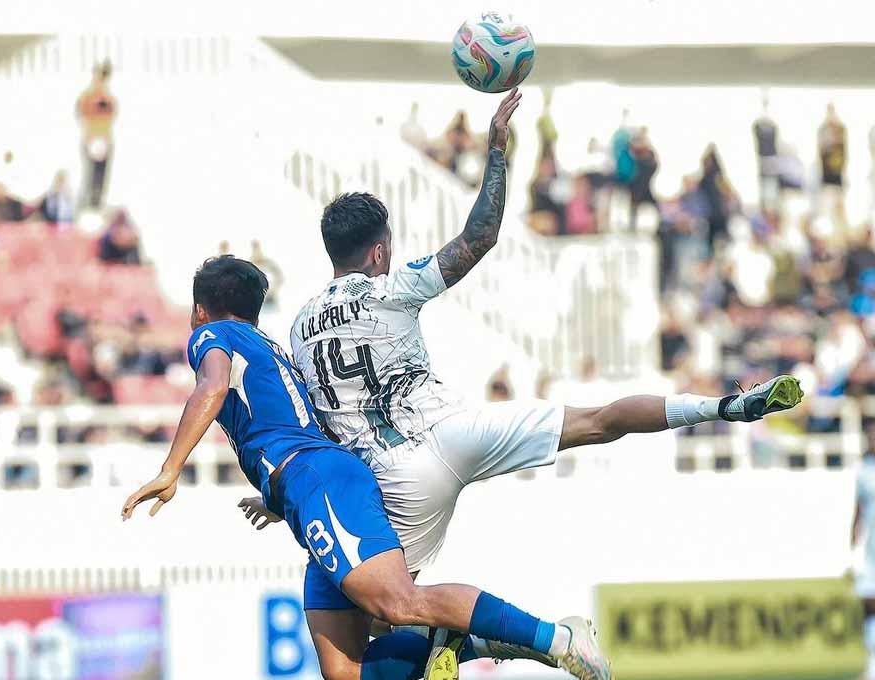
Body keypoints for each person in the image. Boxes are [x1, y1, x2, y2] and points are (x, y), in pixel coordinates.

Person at [274, 89, 803, 675]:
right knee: (595, 421)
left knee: (385, 619)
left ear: (333, 252)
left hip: (397, 476)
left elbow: (311, 425)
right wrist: (497, 151)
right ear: (382, 249)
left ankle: (492, 640)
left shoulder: (299, 328)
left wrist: (285, 496)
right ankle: (722, 407)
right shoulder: (393, 286)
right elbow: (479, 237)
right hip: (456, 428)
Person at [120, 251, 610, 680]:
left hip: (316, 483)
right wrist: (275, 495)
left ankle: (559, 640)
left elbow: (212, 389)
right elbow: (293, 425)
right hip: (310, 485)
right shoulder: (268, 348)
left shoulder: (210, 336)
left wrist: (171, 468)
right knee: (344, 671)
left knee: (397, 605)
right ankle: (468, 641)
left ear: (198, 309)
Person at [851, 421, 875, 680]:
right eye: (870, 436)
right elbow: (858, 509)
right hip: (873, 549)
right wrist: (851, 549)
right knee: (872, 603)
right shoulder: (864, 470)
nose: (874, 441)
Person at [77, 60, 118, 209]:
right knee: (91, 173)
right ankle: (89, 201)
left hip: (104, 139)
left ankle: (97, 201)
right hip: (93, 138)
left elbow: (112, 114)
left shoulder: (108, 98)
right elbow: (83, 113)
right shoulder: (88, 97)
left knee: (100, 175)